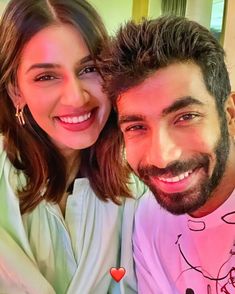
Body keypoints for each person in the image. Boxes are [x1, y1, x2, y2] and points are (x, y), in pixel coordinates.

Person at [0, 0, 144, 293]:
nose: (76, 98)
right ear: (16, 91)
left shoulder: (138, 182)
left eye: (89, 68)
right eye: (46, 76)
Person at [100, 15, 235, 294]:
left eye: (186, 117)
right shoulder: (149, 220)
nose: (162, 157)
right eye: (137, 126)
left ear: (230, 115)